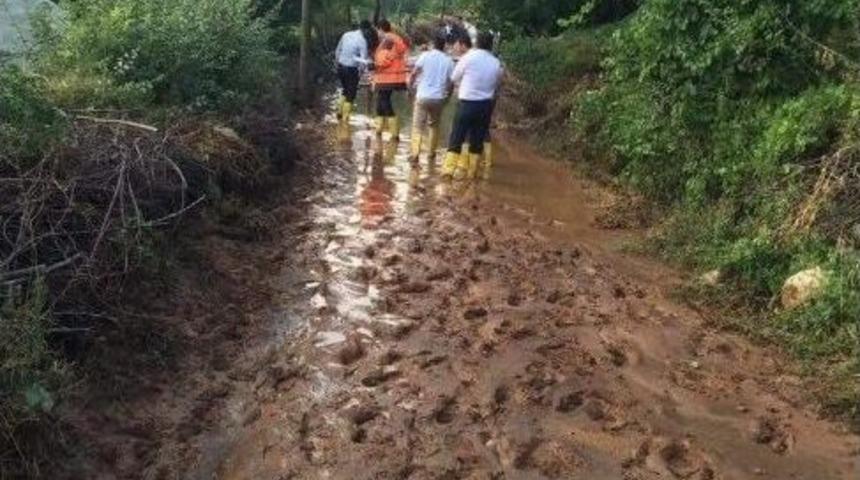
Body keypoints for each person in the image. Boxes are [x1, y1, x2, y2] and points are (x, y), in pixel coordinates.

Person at [443, 32, 503, 181]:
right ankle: (472, 173)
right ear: (491, 45)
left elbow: (453, 77)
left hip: (466, 104)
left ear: (477, 43)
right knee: (476, 140)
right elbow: (496, 84)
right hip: (485, 106)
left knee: (457, 136)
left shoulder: (468, 58)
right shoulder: (496, 63)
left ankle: (448, 173)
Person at [407, 32, 454, 165]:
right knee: (434, 125)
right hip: (438, 98)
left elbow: (414, 73)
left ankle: (415, 155)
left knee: (417, 126)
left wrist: (410, 89)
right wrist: (448, 97)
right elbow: (451, 83)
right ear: (444, 46)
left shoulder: (425, 56)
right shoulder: (449, 61)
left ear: (433, 44)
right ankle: (431, 154)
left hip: (422, 96)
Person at [372, 19, 409, 140]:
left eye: (377, 30)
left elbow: (384, 59)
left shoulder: (388, 39)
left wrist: (375, 64)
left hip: (387, 77)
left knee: (384, 101)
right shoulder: (395, 38)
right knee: (381, 101)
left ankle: (394, 133)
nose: (377, 33)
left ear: (380, 29)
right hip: (391, 76)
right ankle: (379, 131)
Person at [334, 20, 371, 122]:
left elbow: (338, 50)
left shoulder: (346, 34)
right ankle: (345, 119)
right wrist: (361, 72)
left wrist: (337, 64)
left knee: (345, 90)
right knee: (351, 93)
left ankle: (339, 112)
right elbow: (363, 61)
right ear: (366, 30)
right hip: (351, 69)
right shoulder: (362, 41)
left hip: (341, 66)